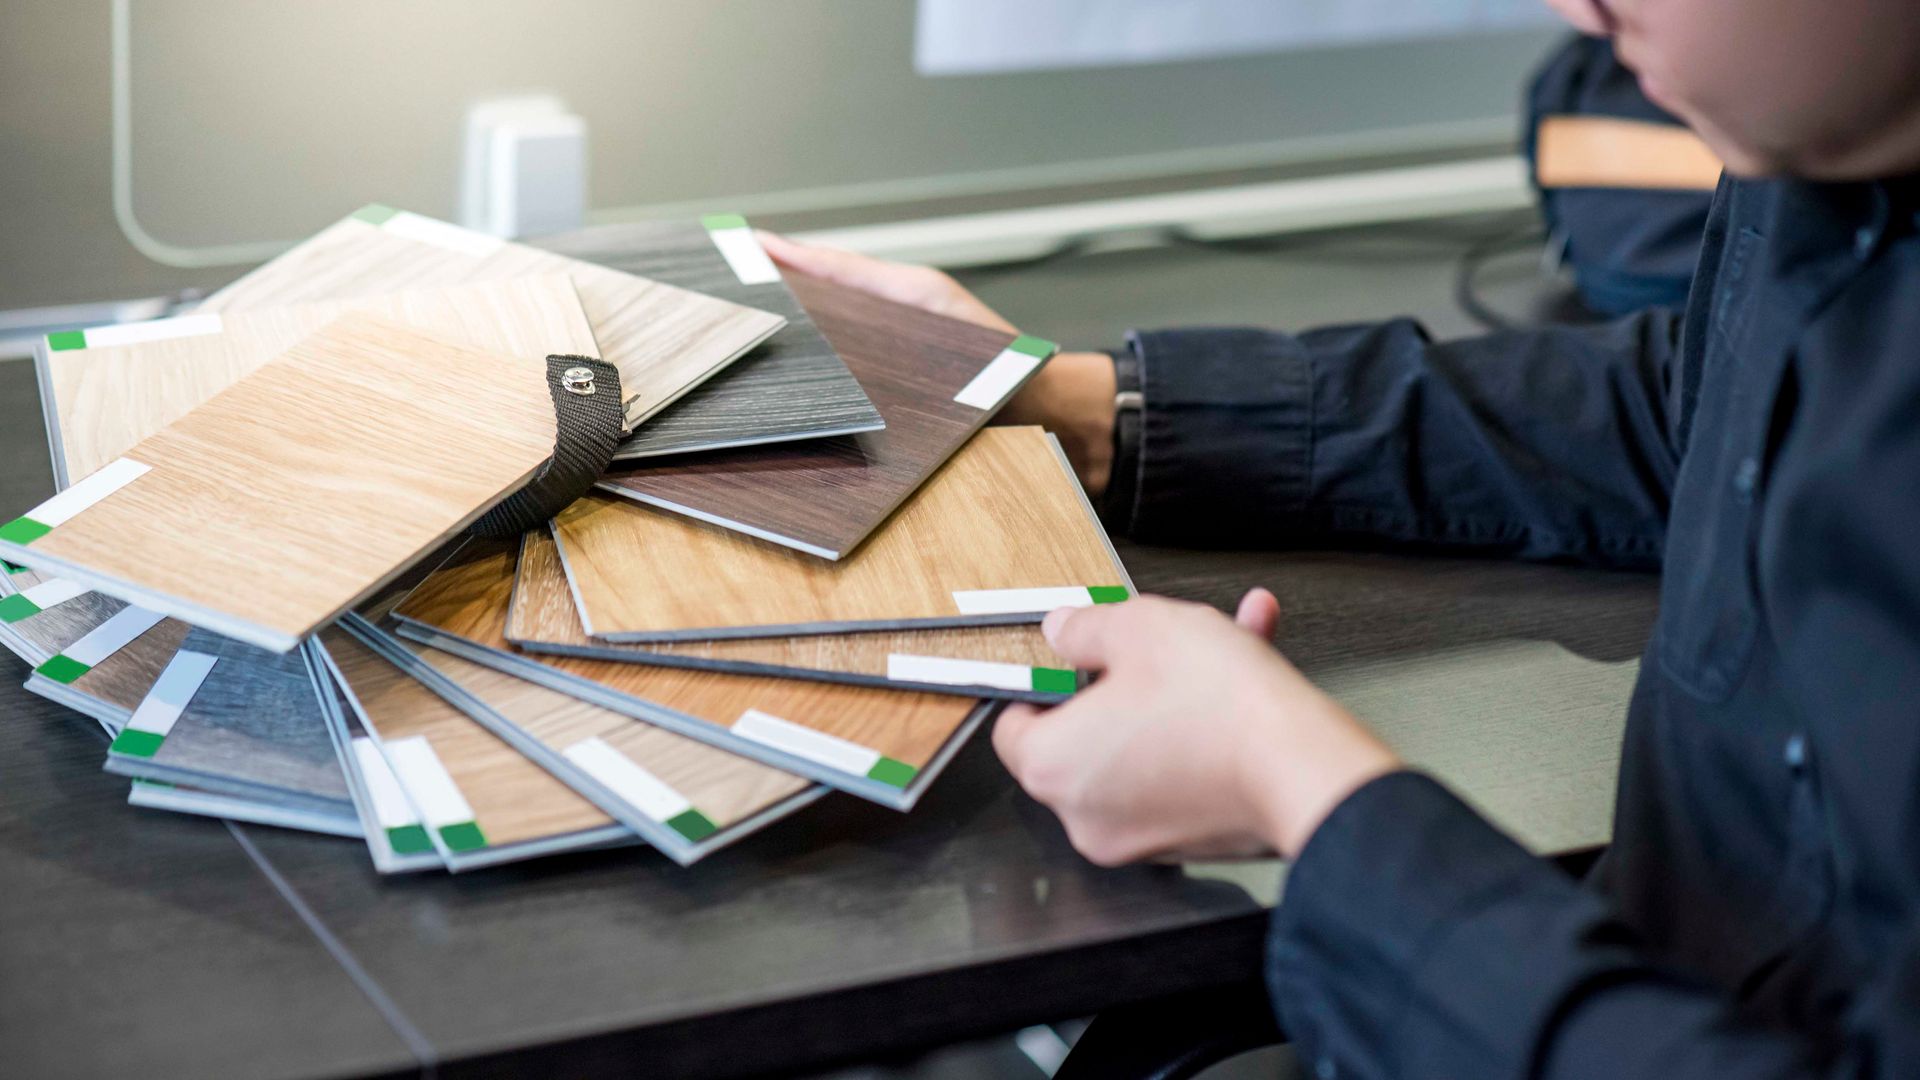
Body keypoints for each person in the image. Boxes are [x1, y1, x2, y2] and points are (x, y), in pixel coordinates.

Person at [762, 0, 1920, 1074]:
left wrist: (1303, 795)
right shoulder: (1820, 143)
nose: (1576, 10)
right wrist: (1093, 414)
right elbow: (1690, 401)